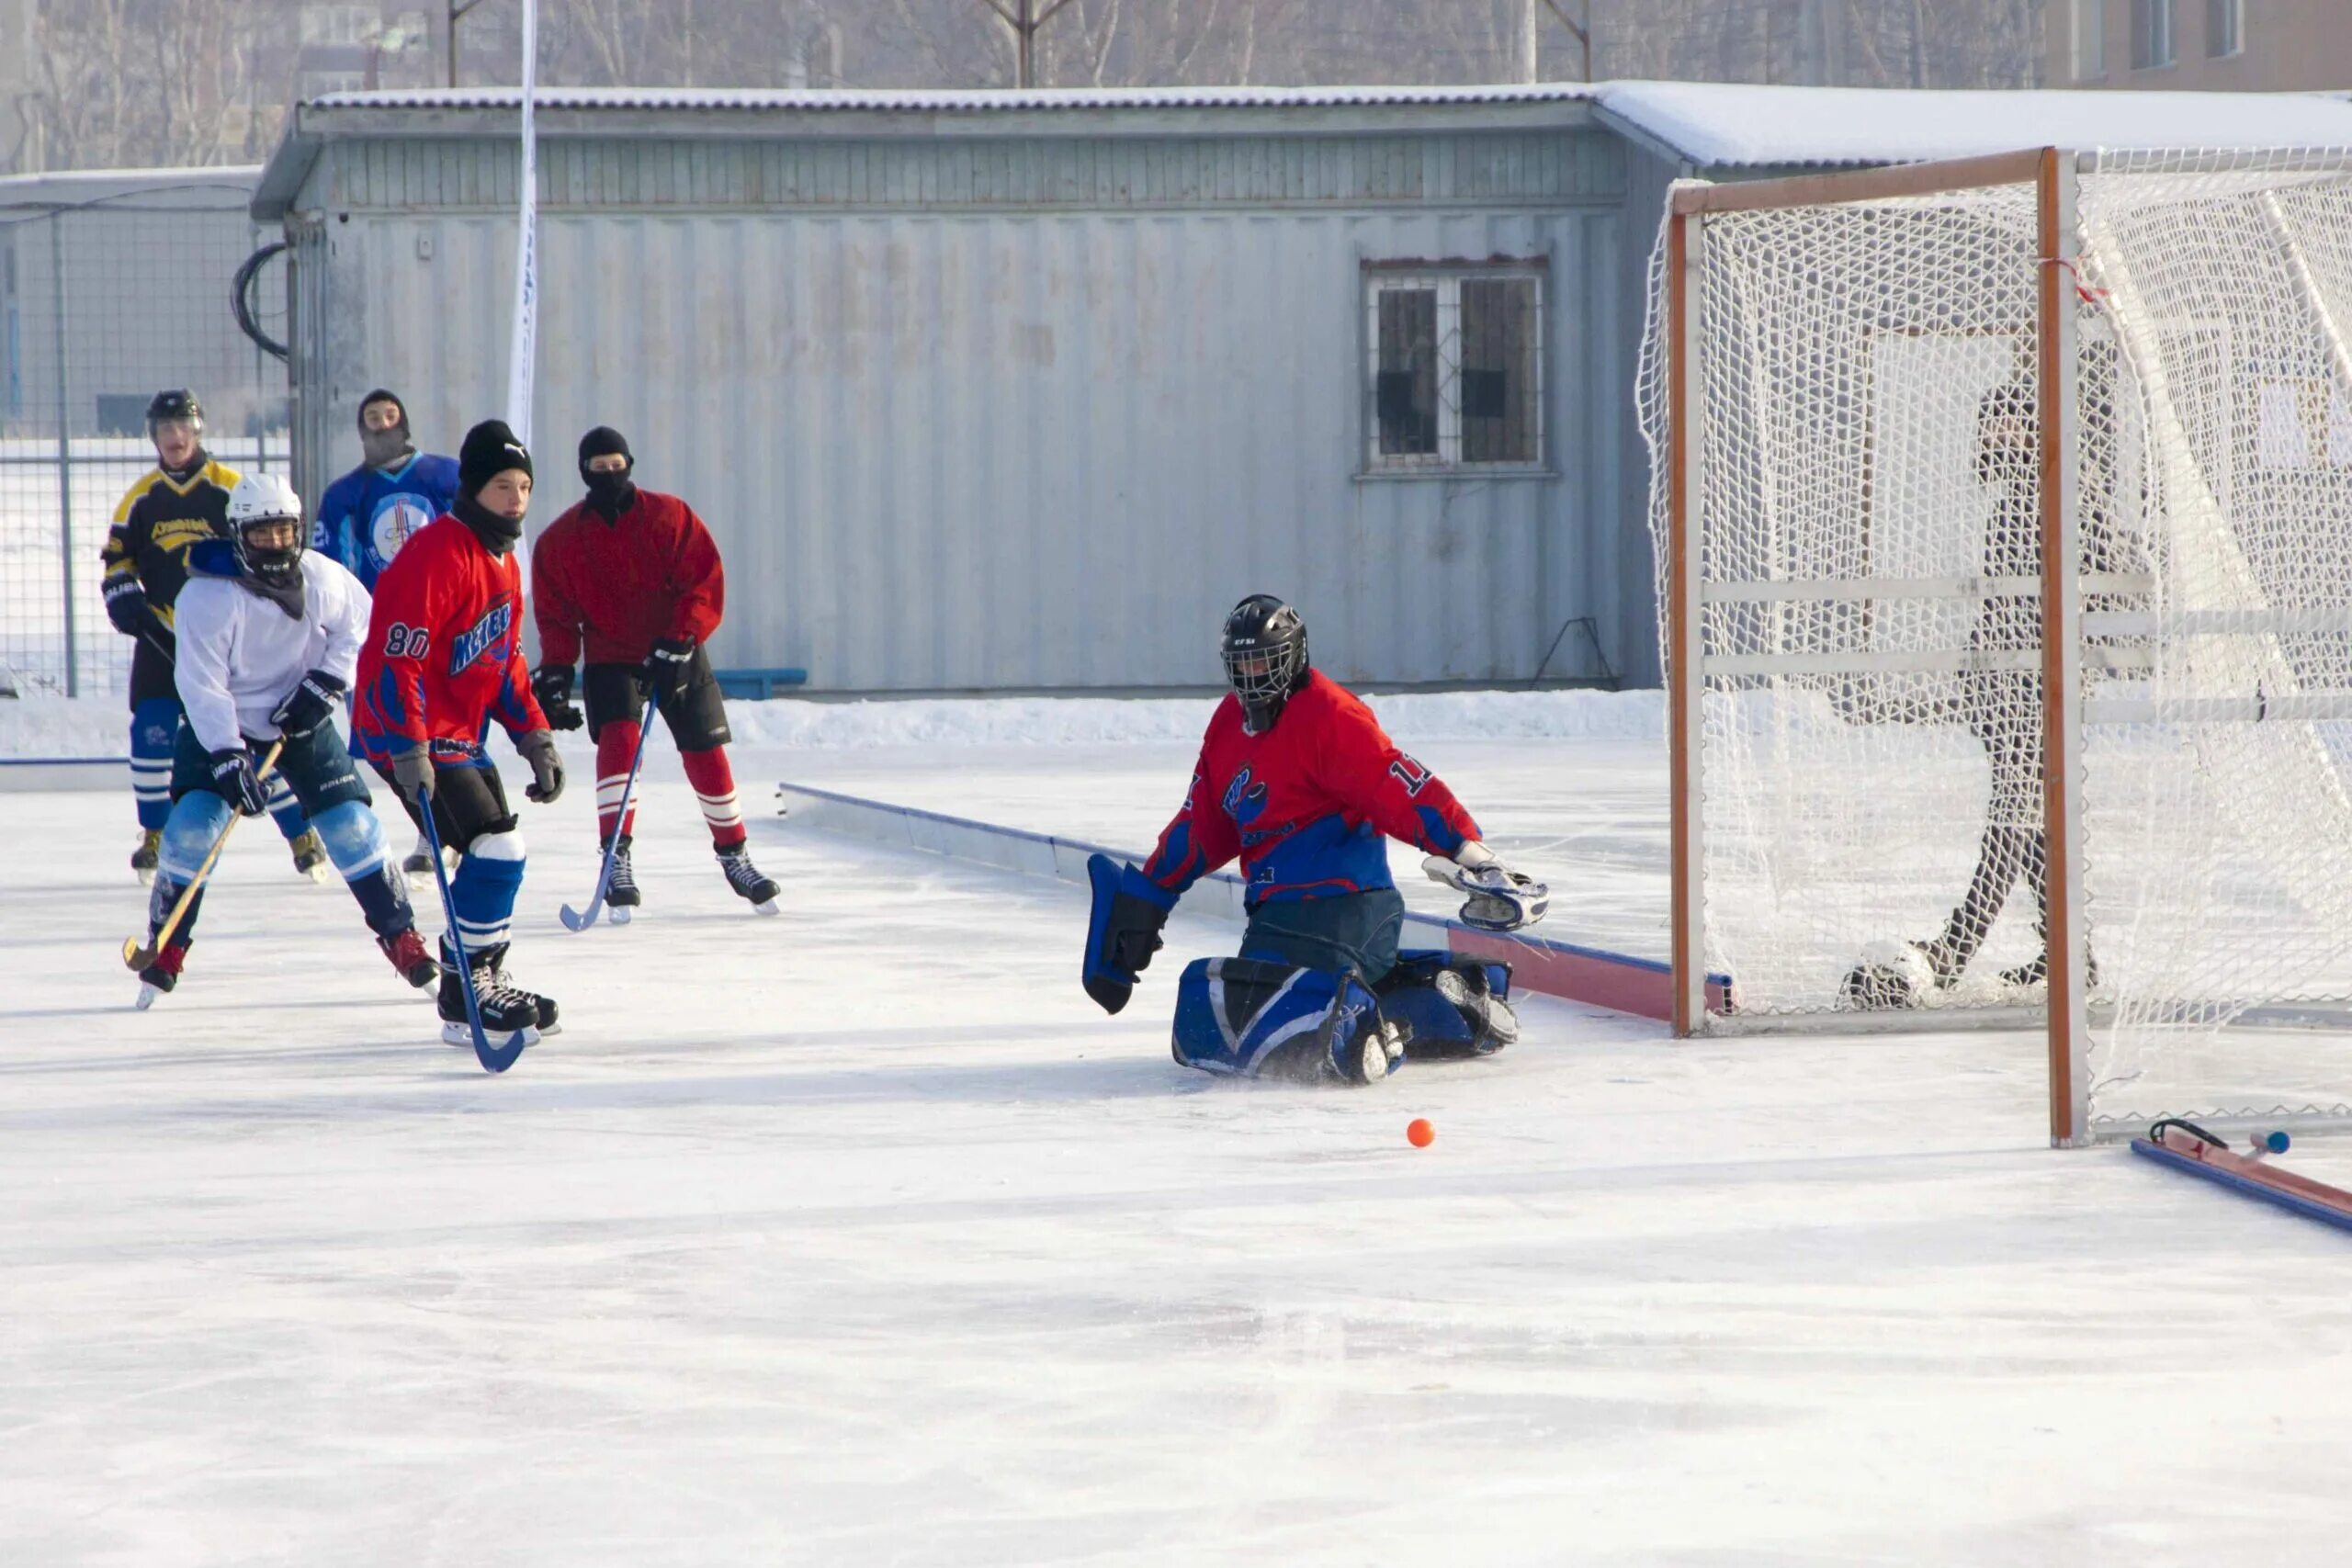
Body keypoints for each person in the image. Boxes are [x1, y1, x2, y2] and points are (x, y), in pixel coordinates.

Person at [1080, 594, 1546, 1083]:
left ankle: (1366, 1034)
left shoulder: (1329, 715)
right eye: (1242, 664)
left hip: (1349, 907)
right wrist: (1148, 896)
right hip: (1276, 915)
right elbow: (1202, 824)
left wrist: (1467, 849)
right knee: (1236, 998)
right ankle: (1438, 994)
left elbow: (1398, 785)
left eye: (1264, 660)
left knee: (1260, 1012)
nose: (1253, 676)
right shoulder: (1225, 727)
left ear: (1294, 655)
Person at [131, 474, 435, 1002]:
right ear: (236, 535)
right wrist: (227, 756)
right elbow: (201, 685)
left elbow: (362, 624)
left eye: (284, 531)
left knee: (353, 827)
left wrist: (328, 680)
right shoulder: (205, 596)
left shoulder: (323, 578)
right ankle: (168, 946)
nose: (275, 543)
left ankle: (402, 935)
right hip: (222, 726)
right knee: (189, 832)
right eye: (261, 533)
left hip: (302, 719)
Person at [352, 420, 566, 1046]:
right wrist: (410, 746)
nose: (517, 499)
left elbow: (503, 661)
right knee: (497, 848)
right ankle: (472, 986)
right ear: (473, 487)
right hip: (405, 728)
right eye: (503, 486)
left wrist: (535, 736)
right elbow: (400, 660)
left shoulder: (503, 562)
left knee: (495, 854)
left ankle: (472, 984)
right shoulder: (437, 552)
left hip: (456, 733)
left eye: (525, 486)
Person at [528, 425, 779, 917]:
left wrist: (683, 637)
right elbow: (557, 616)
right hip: (610, 656)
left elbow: (703, 580)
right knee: (619, 743)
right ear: (584, 473)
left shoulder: (669, 516)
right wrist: (556, 671)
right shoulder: (561, 539)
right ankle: (615, 858)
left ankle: (735, 854)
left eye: (615, 465)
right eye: (597, 468)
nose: (608, 474)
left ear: (630, 463)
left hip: (676, 648)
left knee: (705, 748)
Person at [102, 389, 323, 883]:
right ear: (152, 436)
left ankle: (299, 831)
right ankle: (154, 834)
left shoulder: (229, 489)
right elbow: (118, 558)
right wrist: (120, 592)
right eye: (164, 429)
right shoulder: (140, 497)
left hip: (226, 640)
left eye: (182, 427)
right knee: (152, 731)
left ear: (198, 431)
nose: (174, 437)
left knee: (252, 735)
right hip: (163, 634)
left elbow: (264, 548)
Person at [316, 388, 464, 886]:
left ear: (404, 421)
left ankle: (439, 832)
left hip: (440, 627)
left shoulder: (445, 476)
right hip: (377, 636)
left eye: (390, 415)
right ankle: (436, 824)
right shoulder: (344, 494)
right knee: (381, 739)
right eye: (372, 418)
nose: (382, 424)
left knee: (435, 731)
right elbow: (333, 569)